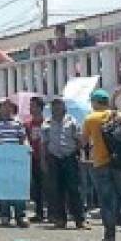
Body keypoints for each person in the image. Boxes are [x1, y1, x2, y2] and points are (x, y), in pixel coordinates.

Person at [83, 88, 121, 241]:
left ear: (95, 102)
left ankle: (110, 236)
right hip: (120, 162)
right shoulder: (116, 115)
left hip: (101, 163)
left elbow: (83, 141)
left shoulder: (91, 118)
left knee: (107, 201)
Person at [42, 97, 86, 230]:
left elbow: (79, 140)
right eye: (54, 105)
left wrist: (79, 155)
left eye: (59, 105)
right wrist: (43, 161)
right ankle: (60, 219)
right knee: (56, 189)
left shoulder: (72, 121)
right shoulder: (46, 123)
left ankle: (79, 219)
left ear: (64, 107)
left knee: (74, 189)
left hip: (70, 157)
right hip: (53, 158)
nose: (56, 108)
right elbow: (44, 144)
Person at [0, 98, 29, 228]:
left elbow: (23, 139)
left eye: (8, 106)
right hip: (0, 160)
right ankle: (4, 214)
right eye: (3, 106)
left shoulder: (18, 123)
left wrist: (26, 150)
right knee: (3, 187)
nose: (6, 108)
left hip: (15, 160)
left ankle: (20, 215)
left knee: (18, 187)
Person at [25, 96, 47, 222]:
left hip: (46, 158)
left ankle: (52, 211)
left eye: (33, 105)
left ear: (40, 107)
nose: (30, 108)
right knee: (36, 186)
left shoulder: (46, 123)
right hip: (32, 158)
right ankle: (38, 212)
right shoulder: (27, 124)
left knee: (49, 186)